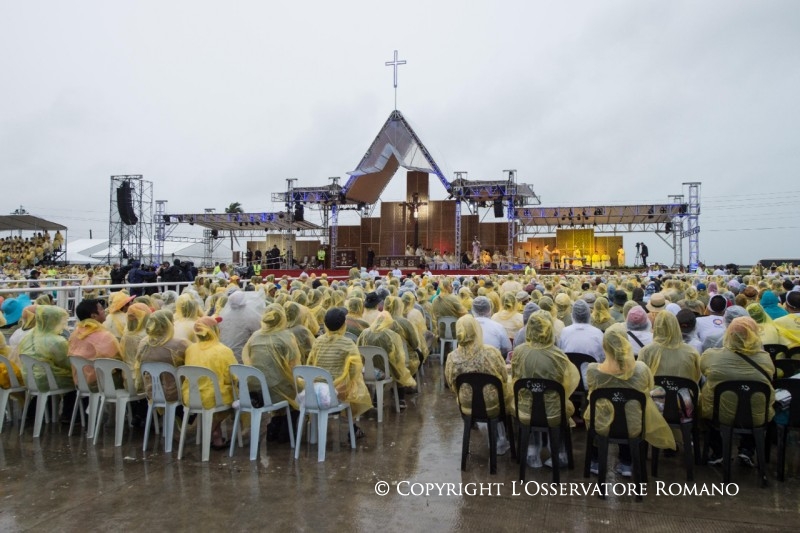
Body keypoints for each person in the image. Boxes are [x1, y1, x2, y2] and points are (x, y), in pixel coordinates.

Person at [584, 329, 675, 476]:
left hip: (601, 426)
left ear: (604, 345)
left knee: (597, 411)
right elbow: (650, 388)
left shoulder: (593, 370)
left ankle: (595, 461)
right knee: (629, 412)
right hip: (634, 427)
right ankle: (627, 462)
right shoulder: (641, 369)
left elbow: (590, 390)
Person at [700, 317, 774, 466]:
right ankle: (747, 449)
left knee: (705, 396)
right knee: (753, 402)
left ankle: (718, 451)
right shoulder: (765, 359)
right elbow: (771, 376)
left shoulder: (711, 355)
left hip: (719, 414)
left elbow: (703, 371)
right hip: (756, 417)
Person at [511, 310, 580, 468]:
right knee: (561, 406)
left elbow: (515, 378)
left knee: (530, 402)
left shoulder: (519, 352)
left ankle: (531, 451)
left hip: (525, 410)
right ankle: (560, 454)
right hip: (553, 412)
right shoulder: (559, 356)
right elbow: (568, 385)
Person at [444, 314, 514, 456]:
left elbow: (452, 385)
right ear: (476, 330)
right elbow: (504, 377)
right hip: (494, 405)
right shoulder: (491, 352)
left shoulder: (452, 357)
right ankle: (504, 438)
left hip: (468, 406)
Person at [306, 308, 372, 436]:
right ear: (343, 324)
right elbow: (355, 369)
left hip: (314, 391)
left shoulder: (318, 341)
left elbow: (310, 364)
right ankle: (352, 427)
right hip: (337, 393)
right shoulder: (347, 343)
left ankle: (314, 432)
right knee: (356, 384)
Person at [242, 304, 301, 442]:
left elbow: (248, 359)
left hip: (254, 391)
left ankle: (275, 425)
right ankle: (286, 431)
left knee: (279, 382)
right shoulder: (286, 337)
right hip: (275, 392)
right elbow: (294, 367)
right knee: (297, 392)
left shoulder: (255, 336)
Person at [183, 316, 237, 449]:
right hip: (215, 399)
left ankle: (216, 436)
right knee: (233, 395)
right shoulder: (223, 350)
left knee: (215, 393)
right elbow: (234, 376)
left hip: (191, 396)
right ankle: (212, 430)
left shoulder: (190, 349)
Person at [357, 311, 417, 407]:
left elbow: (358, 351)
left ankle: (376, 399)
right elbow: (399, 358)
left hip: (366, 371)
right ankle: (400, 399)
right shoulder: (391, 335)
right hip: (385, 373)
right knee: (398, 369)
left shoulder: (364, 333)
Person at [68, 299, 122, 390]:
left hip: (80, 382)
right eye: (101, 309)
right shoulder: (104, 336)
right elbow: (118, 360)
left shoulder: (74, 335)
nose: (105, 311)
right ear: (94, 316)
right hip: (100, 384)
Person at [134, 310, 188, 398]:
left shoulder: (143, 344)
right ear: (169, 324)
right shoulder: (179, 344)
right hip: (174, 394)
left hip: (151, 393)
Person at [638, 312, 701, 382]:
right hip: (684, 389)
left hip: (654, 388)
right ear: (676, 326)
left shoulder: (646, 351)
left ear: (656, 327)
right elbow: (697, 378)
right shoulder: (691, 352)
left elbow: (640, 378)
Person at [218, 291, 262, 363]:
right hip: (242, 359)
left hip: (224, 356)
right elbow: (258, 334)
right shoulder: (251, 315)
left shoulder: (223, 314)